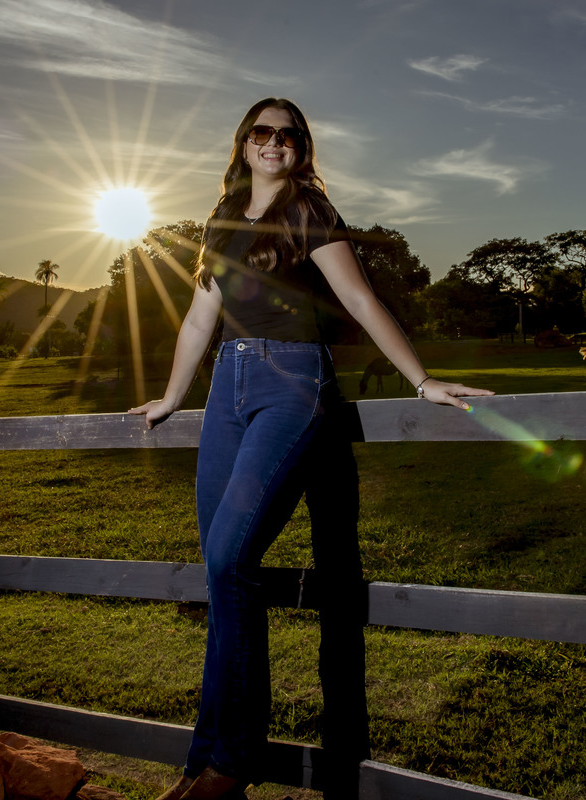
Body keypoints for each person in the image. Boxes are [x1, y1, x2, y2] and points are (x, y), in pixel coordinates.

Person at [129, 97, 494, 800]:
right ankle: (202, 763)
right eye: (263, 132)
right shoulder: (222, 218)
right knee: (219, 574)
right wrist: (173, 397)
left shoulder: (308, 211)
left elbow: (358, 298)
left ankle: (232, 765)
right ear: (243, 143)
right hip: (227, 388)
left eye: (289, 135)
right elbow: (200, 317)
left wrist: (421, 380)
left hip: (292, 381)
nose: (276, 143)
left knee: (232, 559)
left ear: (302, 147)